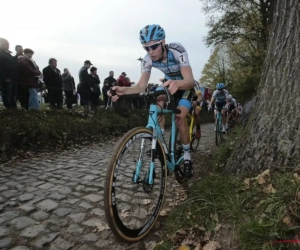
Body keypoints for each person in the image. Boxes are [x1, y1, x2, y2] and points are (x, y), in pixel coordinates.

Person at [108, 24, 195, 178]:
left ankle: (187, 156)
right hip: (169, 85)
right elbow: (141, 86)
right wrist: (124, 90)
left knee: (180, 118)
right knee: (157, 101)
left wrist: (178, 83)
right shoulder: (148, 59)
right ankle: (159, 141)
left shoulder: (177, 50)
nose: (150, 52)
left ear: (163, 42)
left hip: (184, 86)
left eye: (154, 46)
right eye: (146, 48)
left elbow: (190, 80)